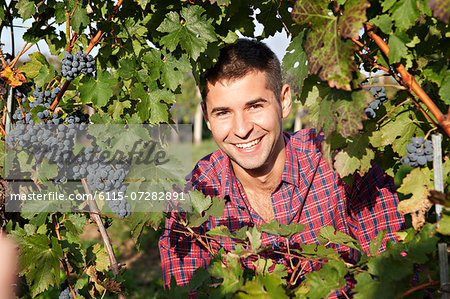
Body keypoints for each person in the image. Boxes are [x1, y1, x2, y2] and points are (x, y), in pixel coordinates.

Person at [158, 39, 406, 292]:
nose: (242, 130)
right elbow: (188, 292)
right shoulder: (189, 198)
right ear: (207, 117)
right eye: (223, 113)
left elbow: (396, 273)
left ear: (284, 101)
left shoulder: (340, 162)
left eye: (254, 106)